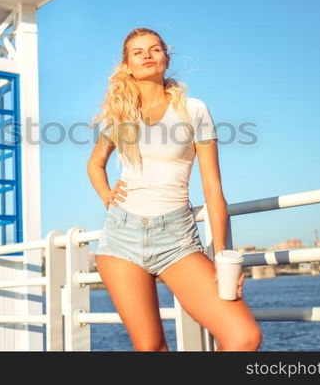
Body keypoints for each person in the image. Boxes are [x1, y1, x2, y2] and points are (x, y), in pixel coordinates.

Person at [87, 27, 262, 351]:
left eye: (155, 49)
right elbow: (94, 164)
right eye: (138, 52)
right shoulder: (120, 115)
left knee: (243, 337)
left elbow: (212, 186)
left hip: (177, 238)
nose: (148, 55)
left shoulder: (193, 110)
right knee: (151, 348)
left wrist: (222, 254)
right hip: (120, 239)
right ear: (127, 64)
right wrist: (106, 195)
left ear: (166, 58)